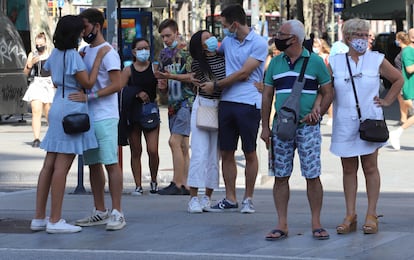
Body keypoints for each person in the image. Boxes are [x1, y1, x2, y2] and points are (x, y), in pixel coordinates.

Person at [30, 15, 110, 233]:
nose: (83, 34)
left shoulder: (55, 53)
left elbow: (53, 74)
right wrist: (98, 60)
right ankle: (55, 220)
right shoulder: (73, 55)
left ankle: (39, 217)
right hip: (73, 107)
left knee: (49, 164)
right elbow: (89, 83)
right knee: (62, 166)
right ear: (74, 34)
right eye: (80, 31)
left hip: (58, 105)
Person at [261, 19, 333, 240]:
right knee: (280, 176)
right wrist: (265, 127)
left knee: (312, 174)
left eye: (281, 34)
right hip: (281, 128)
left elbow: (328, 91)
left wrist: (318, 112)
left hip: (307, 128)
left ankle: (316, 223)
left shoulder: (315, 62)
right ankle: (281, 224)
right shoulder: (275, 63)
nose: (277, 37)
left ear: (293, 38)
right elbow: (267, 96)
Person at [329, 18, 403, 234]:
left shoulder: (377, 59)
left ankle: (371, 214)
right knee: (348, 169)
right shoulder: (335, 61)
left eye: (365, 35)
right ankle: (350, 214)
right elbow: (325, 89)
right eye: (358, 35)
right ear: (347, 37)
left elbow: (397, 79)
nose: (362, 39)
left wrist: (388, 101)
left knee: (370, 167)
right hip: (344, 121)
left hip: (370, 121)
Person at [201, 4, 268, 213]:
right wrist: (207, 44)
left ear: (235, 24)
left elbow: (243, 73)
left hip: (249, 103)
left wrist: (217, 85)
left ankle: (248, 198)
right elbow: (213, 54)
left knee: (249, 151)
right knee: (227, 151)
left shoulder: (258, 43)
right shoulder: (228, 42)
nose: (223, 29)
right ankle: (230, 197)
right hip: (227, 102)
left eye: (224, 25)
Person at [74, 8, 126, 231]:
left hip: (105, 115)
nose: (82, 31)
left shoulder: (108, 52)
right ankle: (99, 210)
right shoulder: (85, 51)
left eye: (85, 26)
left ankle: (117, 211)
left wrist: (91, 96)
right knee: (93, 164)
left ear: (97, 25)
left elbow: (117, 84)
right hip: (88, 115)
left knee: (110, 163)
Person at [155, 19, 196, 195]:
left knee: (174, 141)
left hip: (186, 101)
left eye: (168, 35)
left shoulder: (187, 52)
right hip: (172, 102)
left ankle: (177, 182)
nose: (166, 39)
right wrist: (162, 85)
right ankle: (185, 183)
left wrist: (171, 77)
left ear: (177, 33)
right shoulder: (163, 54)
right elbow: (161, 81)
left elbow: (194, 77)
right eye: (163, 36)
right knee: (183, 145)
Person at [186, 30, 225, 213]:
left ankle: (207, 197)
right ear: (200, 45)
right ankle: (193, 197)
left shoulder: (224, 57)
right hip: (203, 106)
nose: (211, 40)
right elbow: (205, 86)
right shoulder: (197, 63)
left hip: (220, 107)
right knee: (199, 152)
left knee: (213, 156)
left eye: (211, 36)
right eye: (206, 39)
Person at [118, 38, 160, 195]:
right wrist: (136, 92)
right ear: (134, 52)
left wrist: (163, 85)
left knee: (153, 149)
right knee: (136, 150)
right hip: (133, 113)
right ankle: (138, 185)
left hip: (150, 112)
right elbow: (120, 90)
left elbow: (162, 90)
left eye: (147, 48)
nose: (144, 51)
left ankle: (154, 181)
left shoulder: (155, 68)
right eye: (141, 48)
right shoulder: (128, 70)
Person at [23, 32, 55, 147]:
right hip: (37, 82)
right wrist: (30, 64)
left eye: (41, 44)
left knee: (48, 112)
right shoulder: (33, 54)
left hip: (49, 82)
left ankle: (53, 136)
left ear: (45, 43)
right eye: (37, 44)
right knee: (36, 110)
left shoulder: (51, 54)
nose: (39, 46)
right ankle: (36, 138)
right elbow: (25, 73)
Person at [389, 28, 414, 150]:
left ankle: (397, 132)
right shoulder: (408, 51)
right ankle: (397, 132)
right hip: (411, 88)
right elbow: (409, 69)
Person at [313, 38, 333, 126]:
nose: (315, 48)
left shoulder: (327, 57)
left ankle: (330, 116)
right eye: (314, 46)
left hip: (324, 81)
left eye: (317, 46)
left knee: (327, 96)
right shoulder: (313, 57)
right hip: (315, 82)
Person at [393, 31, 412, 125]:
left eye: (397, 39)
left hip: (403, 78)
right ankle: (403, 118)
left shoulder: (405, 51)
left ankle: (404, 118)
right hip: (400, 77)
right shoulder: (404, 51)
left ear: (400, 40)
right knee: (401, 99)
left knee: (404, 99)